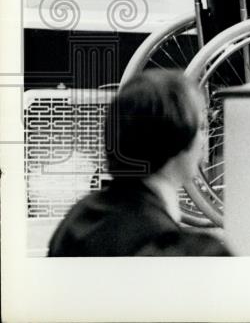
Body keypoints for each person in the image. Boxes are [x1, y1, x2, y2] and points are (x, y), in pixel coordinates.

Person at [48, 71, 230, 257]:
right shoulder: (195, 253)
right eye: (201, 128)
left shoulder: (74, 223)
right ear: (176, 139)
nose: (204, 140)